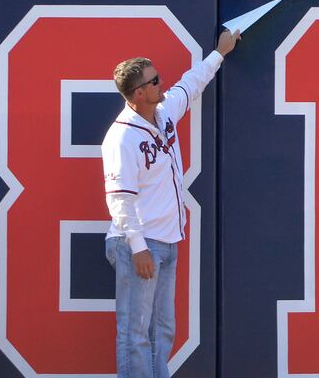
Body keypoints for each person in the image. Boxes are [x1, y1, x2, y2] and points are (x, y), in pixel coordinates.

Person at [101, 29, 240, 378]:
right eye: (154, 80)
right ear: (138, 93)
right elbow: (119, 200)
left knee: (160, 333)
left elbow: (190, 85)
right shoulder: (121, 137)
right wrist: (138, 248)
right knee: (135, 334)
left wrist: (219, 54)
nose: (162, 84)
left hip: (165, 240)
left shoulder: (162, 114)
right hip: (140, 243)